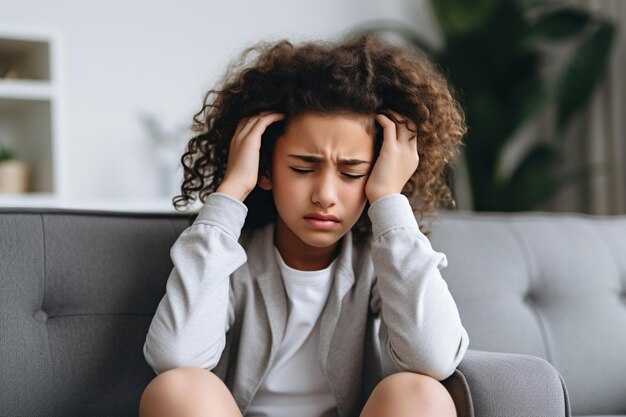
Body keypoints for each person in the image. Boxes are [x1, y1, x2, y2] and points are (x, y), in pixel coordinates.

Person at [139, 34, 469, 417]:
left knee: (422, 393)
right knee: (176, 386)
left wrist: (390, 202)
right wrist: (231, 192)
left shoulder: (378, 264)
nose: (325, 194)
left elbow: (435, 358)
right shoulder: (230, 258)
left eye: (352, 173)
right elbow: (175, 355)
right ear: (265, 168)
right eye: (302, 168)